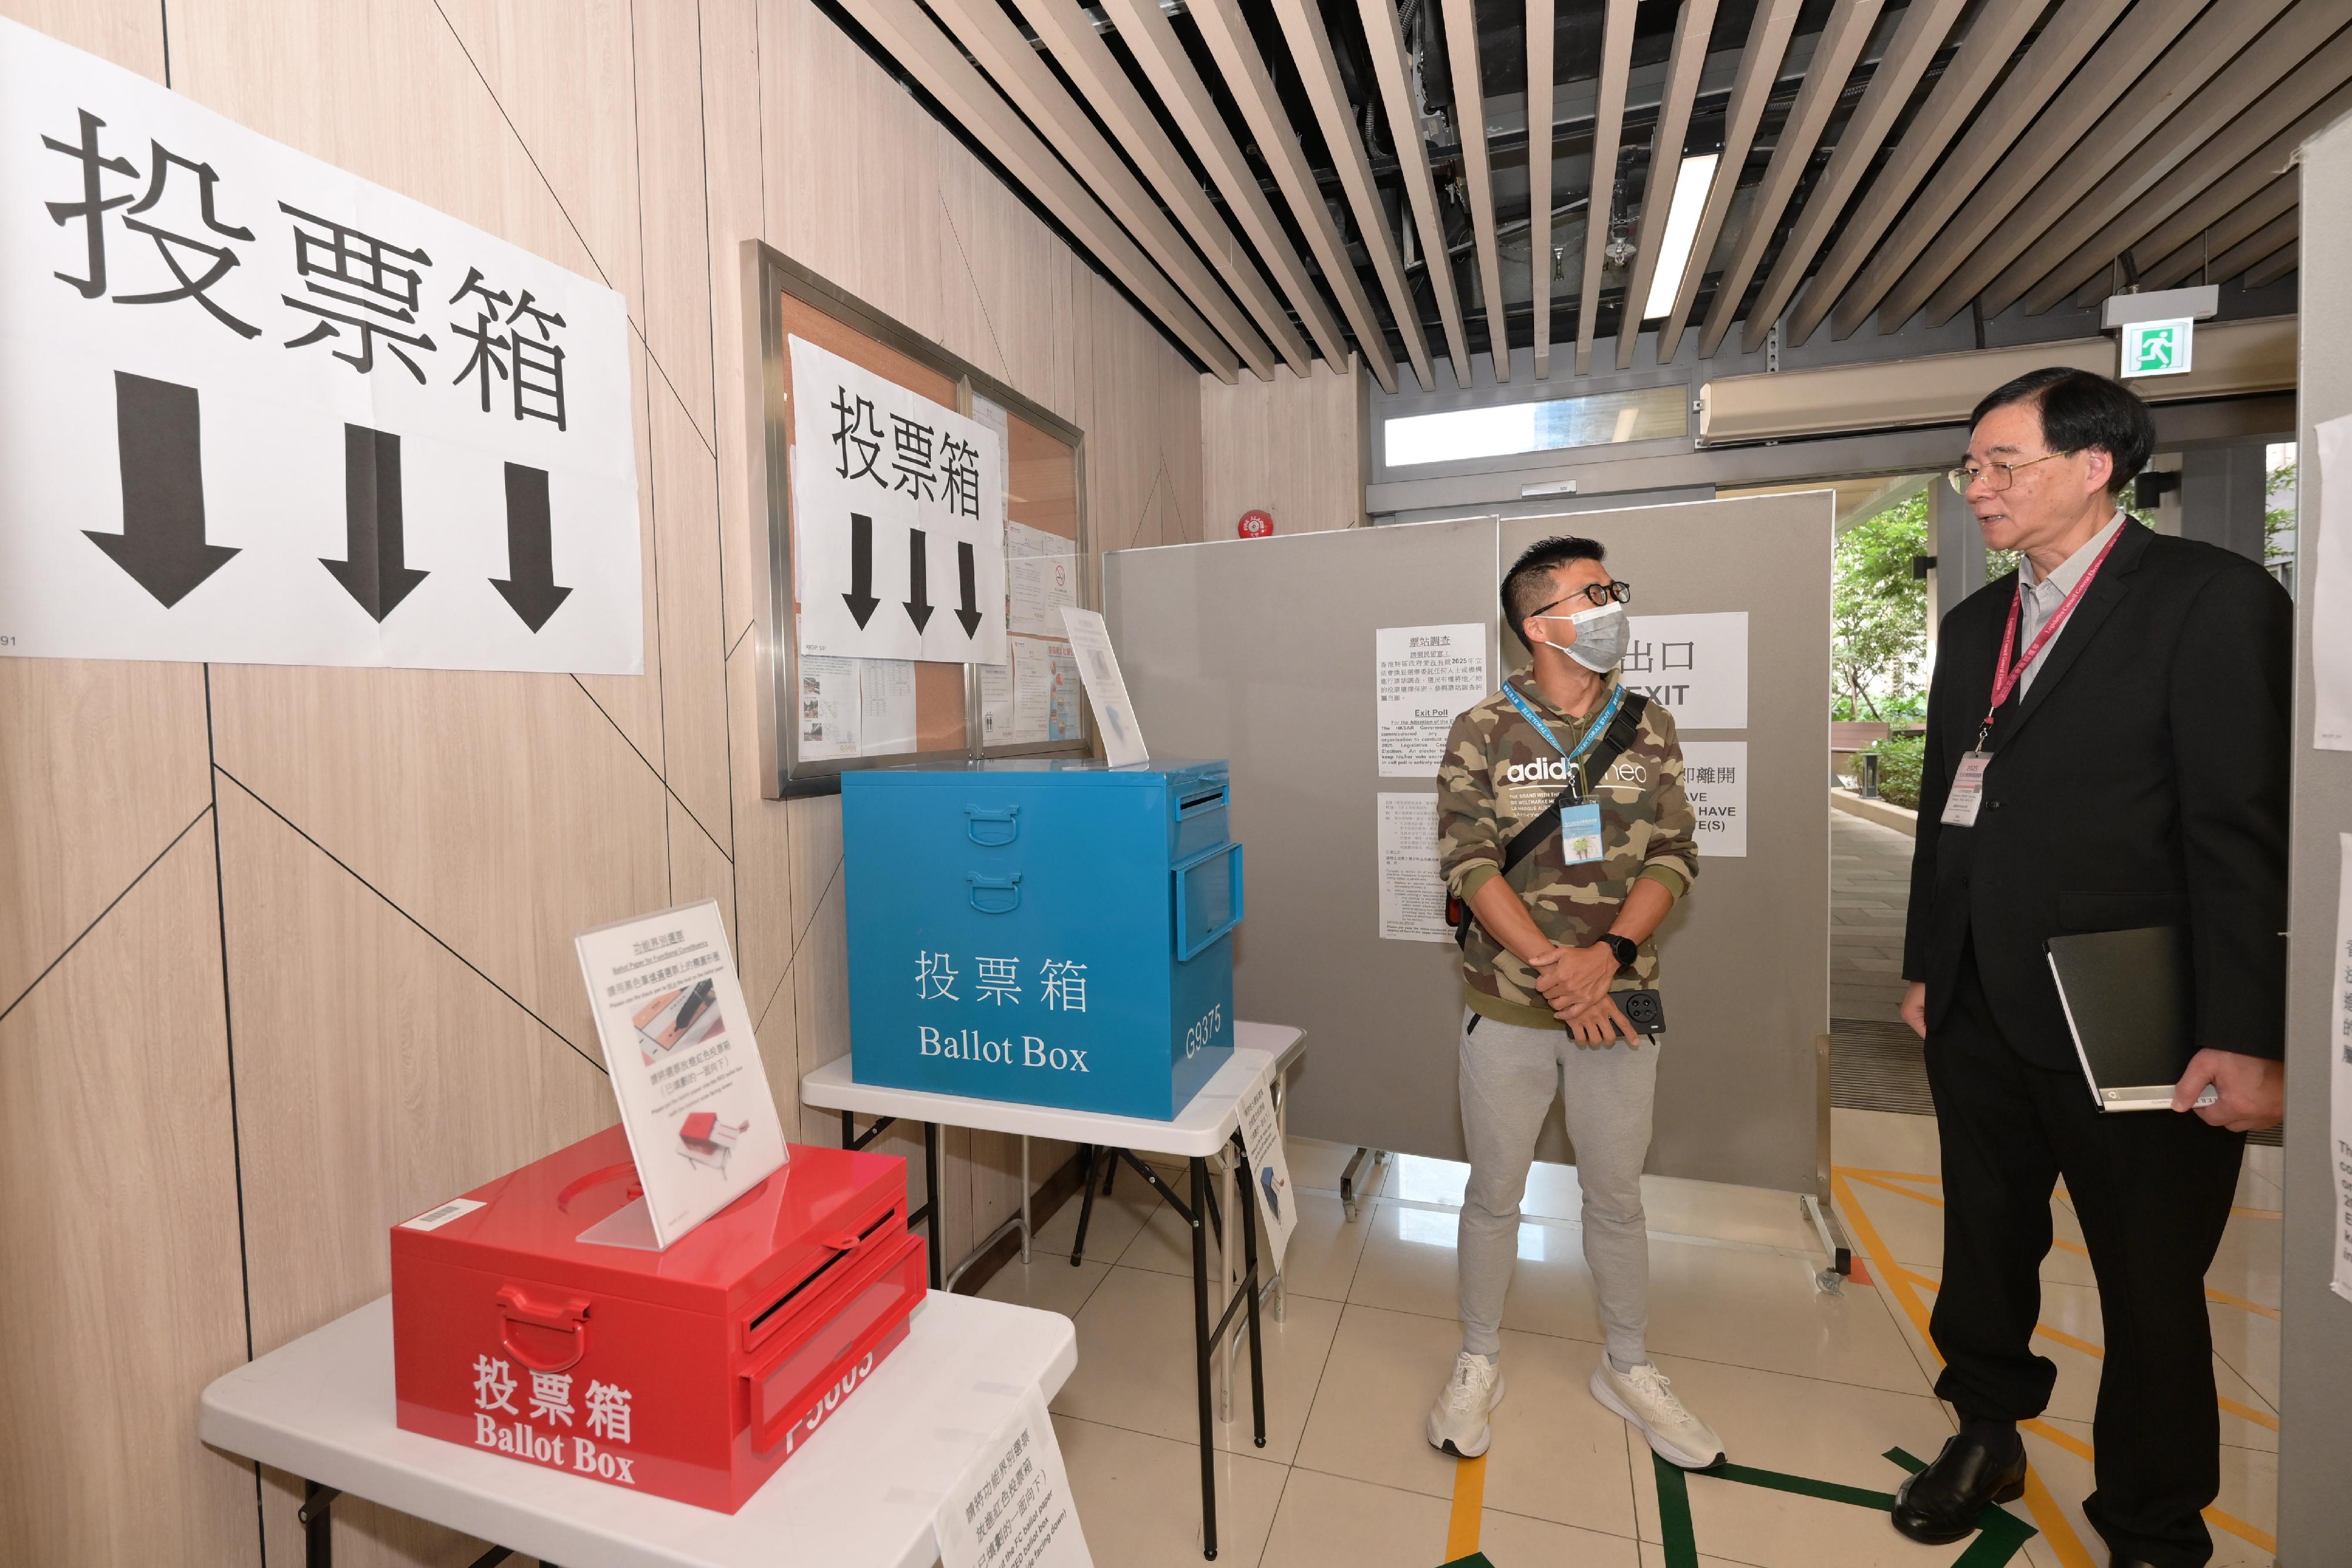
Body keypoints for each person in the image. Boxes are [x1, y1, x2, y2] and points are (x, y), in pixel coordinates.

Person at [1893, 368, 2290, 1568]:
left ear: (2092, 465)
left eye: (2001, 464)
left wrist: (2248, 1029)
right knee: (1983, 1239)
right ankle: (1986, 1426)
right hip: (1975, 1002)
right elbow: (1944, 810)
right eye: (1970, 467)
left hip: (2136, 1014)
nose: (1978, 489)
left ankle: (2152, 1523)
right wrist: (1925, 964)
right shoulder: (1977, 624)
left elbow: (2241, 831)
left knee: (2150, 1282)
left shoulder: (2205, 601)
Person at [1426, 535, 1723, 1470]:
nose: (1612, 605)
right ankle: (1478, 1358)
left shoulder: (1647, 723)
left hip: (1621, 1002)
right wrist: (1560, 969)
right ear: (1538, 622)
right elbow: (1469, 864)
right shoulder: (1482, 727)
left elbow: (1677, 855)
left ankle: (1628, 1366)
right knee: (1493, 1195)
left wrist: (1610, 955)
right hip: (1510, 1008)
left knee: (1616, 1197)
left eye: (1612, 590)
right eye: (1594, 593)